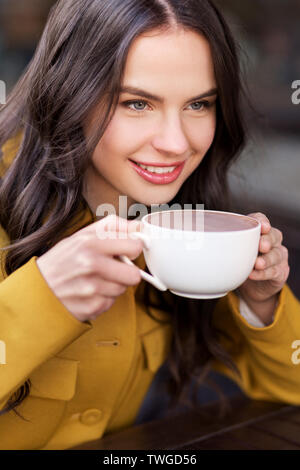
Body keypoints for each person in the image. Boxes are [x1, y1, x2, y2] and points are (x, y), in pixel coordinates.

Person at [0, 0, 299, 451]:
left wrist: (262, 303)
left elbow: (291, 391)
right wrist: (41, 298)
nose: (177, 143)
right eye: (137, 103)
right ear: (69, 94)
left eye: (199, 104)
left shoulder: (181, 223)